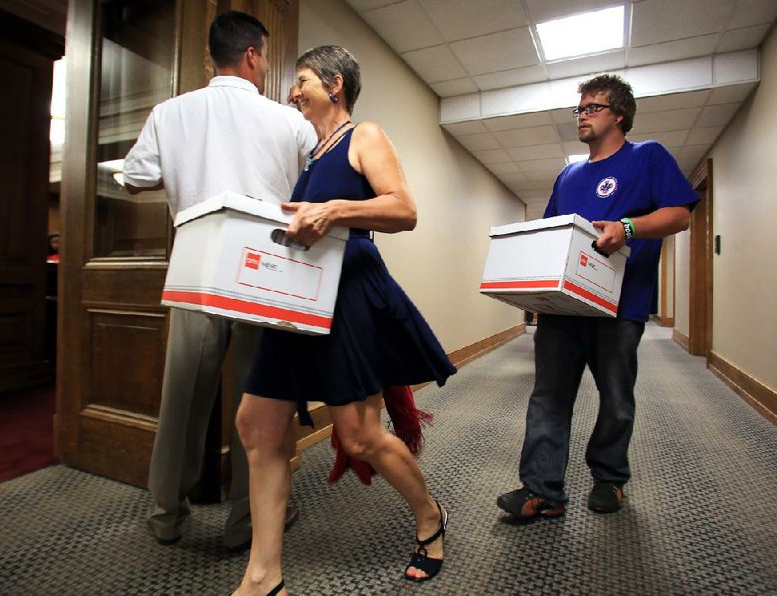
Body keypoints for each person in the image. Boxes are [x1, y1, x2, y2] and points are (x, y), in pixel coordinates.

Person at [232, 45, 456, 595]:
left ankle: (430, 516)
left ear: (335, 84)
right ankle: (263, 576)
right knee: (257, 427)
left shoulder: (365, 135)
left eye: (301, 80)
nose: (291, 91)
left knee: (358, 437)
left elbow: (403, 209)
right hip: (297, 305)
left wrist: (333, 211)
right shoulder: (311, 156)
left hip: (349, 297)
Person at [122, 11, 316, 549]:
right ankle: (245, 524)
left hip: (198, 263)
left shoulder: (170, 113)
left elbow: (135, 179)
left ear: (214, 55)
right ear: (253, 55)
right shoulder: (290, 122)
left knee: (183, 395)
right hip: (263, 268)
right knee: (259, 399)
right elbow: (314, 180)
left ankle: (165, 517)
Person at [497, 73, 698, 520]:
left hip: (619, 307)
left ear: (619, 115)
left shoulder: (647, 157)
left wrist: (626, 227)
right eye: (580, 109)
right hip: (565, 309)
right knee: (548, 397)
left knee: (615, 398)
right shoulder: (568, 174)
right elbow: (552, 233)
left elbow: (680, 215)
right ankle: (542, 490)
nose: (582, 116)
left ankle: (610, 479)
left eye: (592, 108)